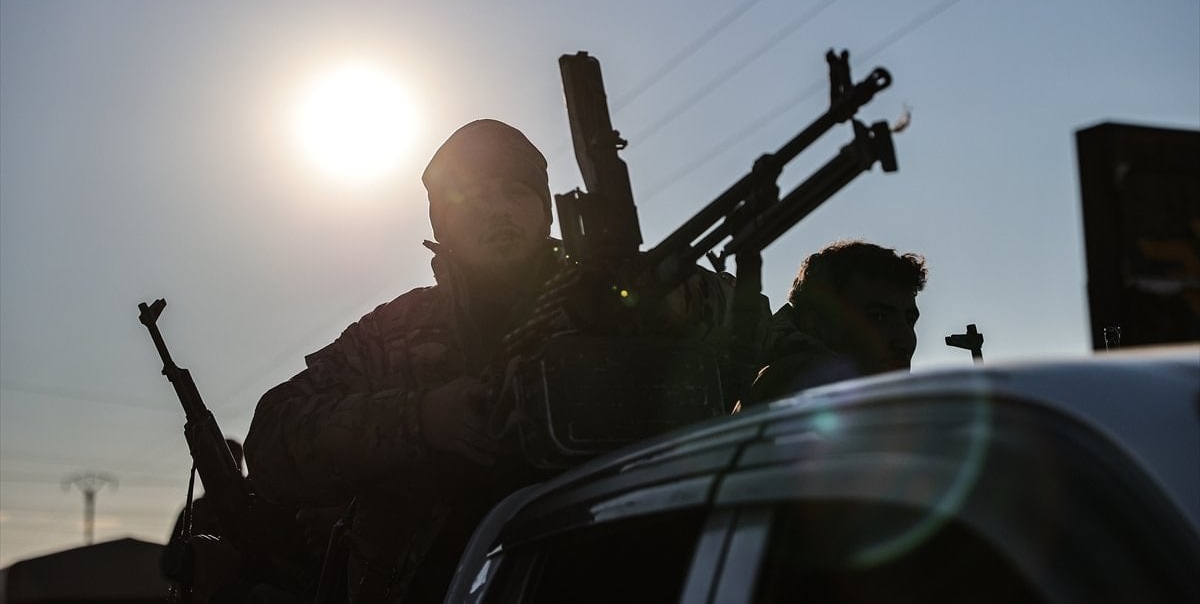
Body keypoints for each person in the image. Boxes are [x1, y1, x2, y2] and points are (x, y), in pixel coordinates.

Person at [244, 119, 737, 603]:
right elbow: (270, 443)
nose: (497, 210)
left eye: (515, 192)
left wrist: (666, 297)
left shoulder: (607, 296)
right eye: (474, 198)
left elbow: (751, 327)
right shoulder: (391, 332)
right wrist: (421, 418)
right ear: (443, 222)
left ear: (545, 213)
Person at [743, 240, 927, 406]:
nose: (906, 341)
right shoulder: (808, 385)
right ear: (813, 324)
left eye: (910, 320)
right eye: (878, 317)